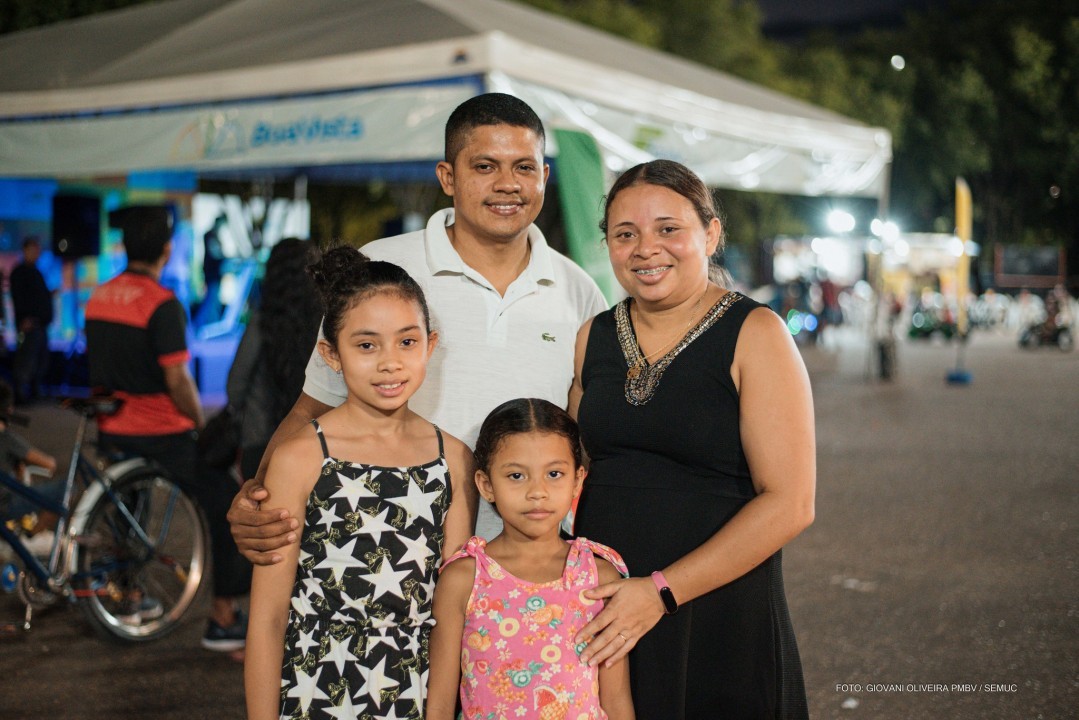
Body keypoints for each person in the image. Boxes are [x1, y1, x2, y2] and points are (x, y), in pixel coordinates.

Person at [228, 92, 607, 559]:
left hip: (522, 571)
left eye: (524, 167)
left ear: (545, 177)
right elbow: (312, 406)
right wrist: (260, 499)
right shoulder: (384, 266)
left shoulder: (580, 292)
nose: (508, 184)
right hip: (383, 545)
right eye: (485, 166)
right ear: (448, 177)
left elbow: (585, 437)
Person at [568, 160, 815, 718]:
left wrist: (659, 591)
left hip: (717, 613)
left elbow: (791, 504)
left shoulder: (757, 333)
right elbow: (576, 471)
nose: (645, 248)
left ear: (710, 233)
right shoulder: (594, 337)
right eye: (624, 234)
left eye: (668, 229)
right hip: (606, 620)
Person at [244, 247, 478, 720]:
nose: (390, 363)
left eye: (406, 342)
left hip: (411, 694)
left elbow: (451, 619)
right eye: (367, 345)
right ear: (331, 354)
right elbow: (267, 621)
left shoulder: (452, 459)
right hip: (312, 694)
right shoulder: (300, 457)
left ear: (430, 346)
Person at [84, 205, 250, 650]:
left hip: (112, 429)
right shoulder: (161, 304)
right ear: (165, 249)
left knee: (124, 515)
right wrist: (200, 423)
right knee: (224, 502)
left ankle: (130, 596)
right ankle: (224, 614)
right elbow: (177, 379)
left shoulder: (99, 296)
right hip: (163, 434)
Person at [427, 398, 634, 720]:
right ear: (486, 484)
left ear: (578, 480)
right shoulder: (464, 578)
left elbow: (617, 700)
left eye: (554, 473)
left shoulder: (600, 577)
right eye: (516, 476)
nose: (537, 491)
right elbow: (439, 705)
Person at [226, 238, 322, 480]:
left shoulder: (262, 322)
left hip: (260, 445)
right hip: (315, 442)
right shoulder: (326, 324)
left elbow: (236, 385)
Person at [0, 378, 61, 558]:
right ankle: (31, 535)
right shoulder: (7, 439)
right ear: (8, 409)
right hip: (5, 505)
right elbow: (50, 464)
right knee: (64, 490)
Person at [10, 236, 54, 404]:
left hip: (40, 324)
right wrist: (23, 319)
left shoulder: (36, 271)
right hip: (28, 325)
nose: (37, 253)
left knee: (40, 361)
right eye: (34, 249)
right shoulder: (20, 272)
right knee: (26, 360)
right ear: (25, 250)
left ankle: (34, 392)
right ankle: (20, 394)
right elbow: (19, 298)